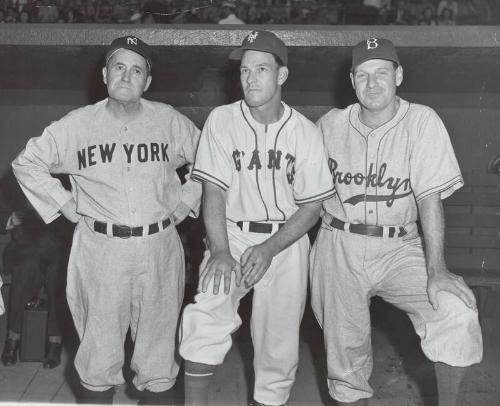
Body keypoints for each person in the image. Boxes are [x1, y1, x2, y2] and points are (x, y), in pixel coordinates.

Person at [12, 35, 201, 404]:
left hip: (158, 247)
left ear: (147, 81)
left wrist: (184, 204)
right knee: (99, 356)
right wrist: (66, 206)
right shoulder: (77, 125)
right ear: (104, 74)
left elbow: (208, 165)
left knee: (159, 357)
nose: (126, 76)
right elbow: (26, 162)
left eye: (137, 70)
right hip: (100, 249)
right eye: (119, 67)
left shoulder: (169, 120)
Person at [310, 37, 483, 406]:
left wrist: (436, 269)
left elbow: (429, 199)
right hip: (339, 245)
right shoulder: (329, 125)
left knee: (455, 312)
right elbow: (301, 194)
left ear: (399, 75)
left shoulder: (421, 121)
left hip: (400, 247)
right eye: (362, 75)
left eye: (382, 74)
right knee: (345, 358)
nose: (372, 84)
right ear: (352, 80)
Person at [179, 30, 335, 406]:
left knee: (278, 348)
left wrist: (269, 248)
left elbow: (312, 207)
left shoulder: (306, 132)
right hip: (231, 232)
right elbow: (213, 190)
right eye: (245, 70)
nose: (250, 78)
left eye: (261, 69)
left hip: (285, 241)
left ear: (281, 75)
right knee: (206, 314)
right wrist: (219, 249)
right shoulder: (222, 120)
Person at [1, 203, 70, 369]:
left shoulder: (65, 179)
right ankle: (13, 337)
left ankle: (55, 341)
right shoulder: (12, 180)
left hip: (56, 248)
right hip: (24, 250)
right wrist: (10, 219)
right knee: (28, 266)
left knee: (58, 271)